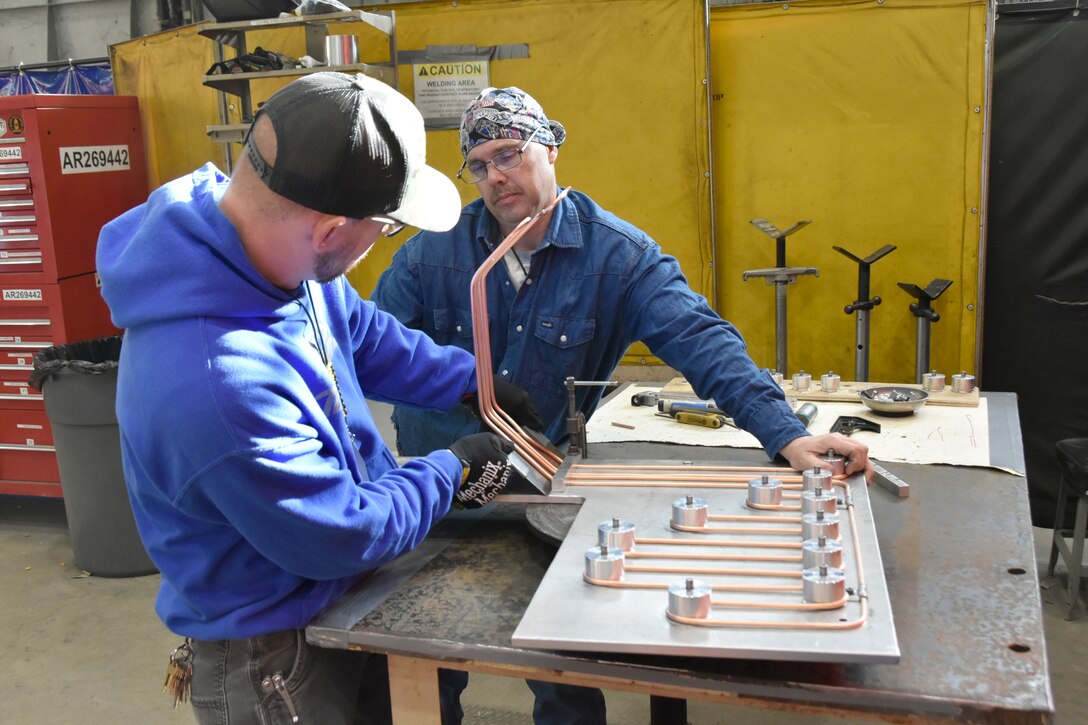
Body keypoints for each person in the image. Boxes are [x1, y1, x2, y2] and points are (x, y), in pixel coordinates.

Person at [371, 86, 873, 725]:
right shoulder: (433, 250)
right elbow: (367, 343)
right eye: (478, 164)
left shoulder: (618, 257)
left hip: (543, 488)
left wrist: (783, 434)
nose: (496, 176)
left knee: (563, 660)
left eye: (510, 153)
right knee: (425, 656)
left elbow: (699, 339)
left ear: (551, 146)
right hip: (442, 484)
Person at [95, 72, 543, 725]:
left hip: (338, 599)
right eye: (388, 227)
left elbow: (358, 332)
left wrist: (467, 382)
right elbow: (344, 532)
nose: (384, 240)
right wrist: (452, 469)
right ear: (334, 230)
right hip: (273, 659)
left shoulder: (263, 241)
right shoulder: (217, 385)